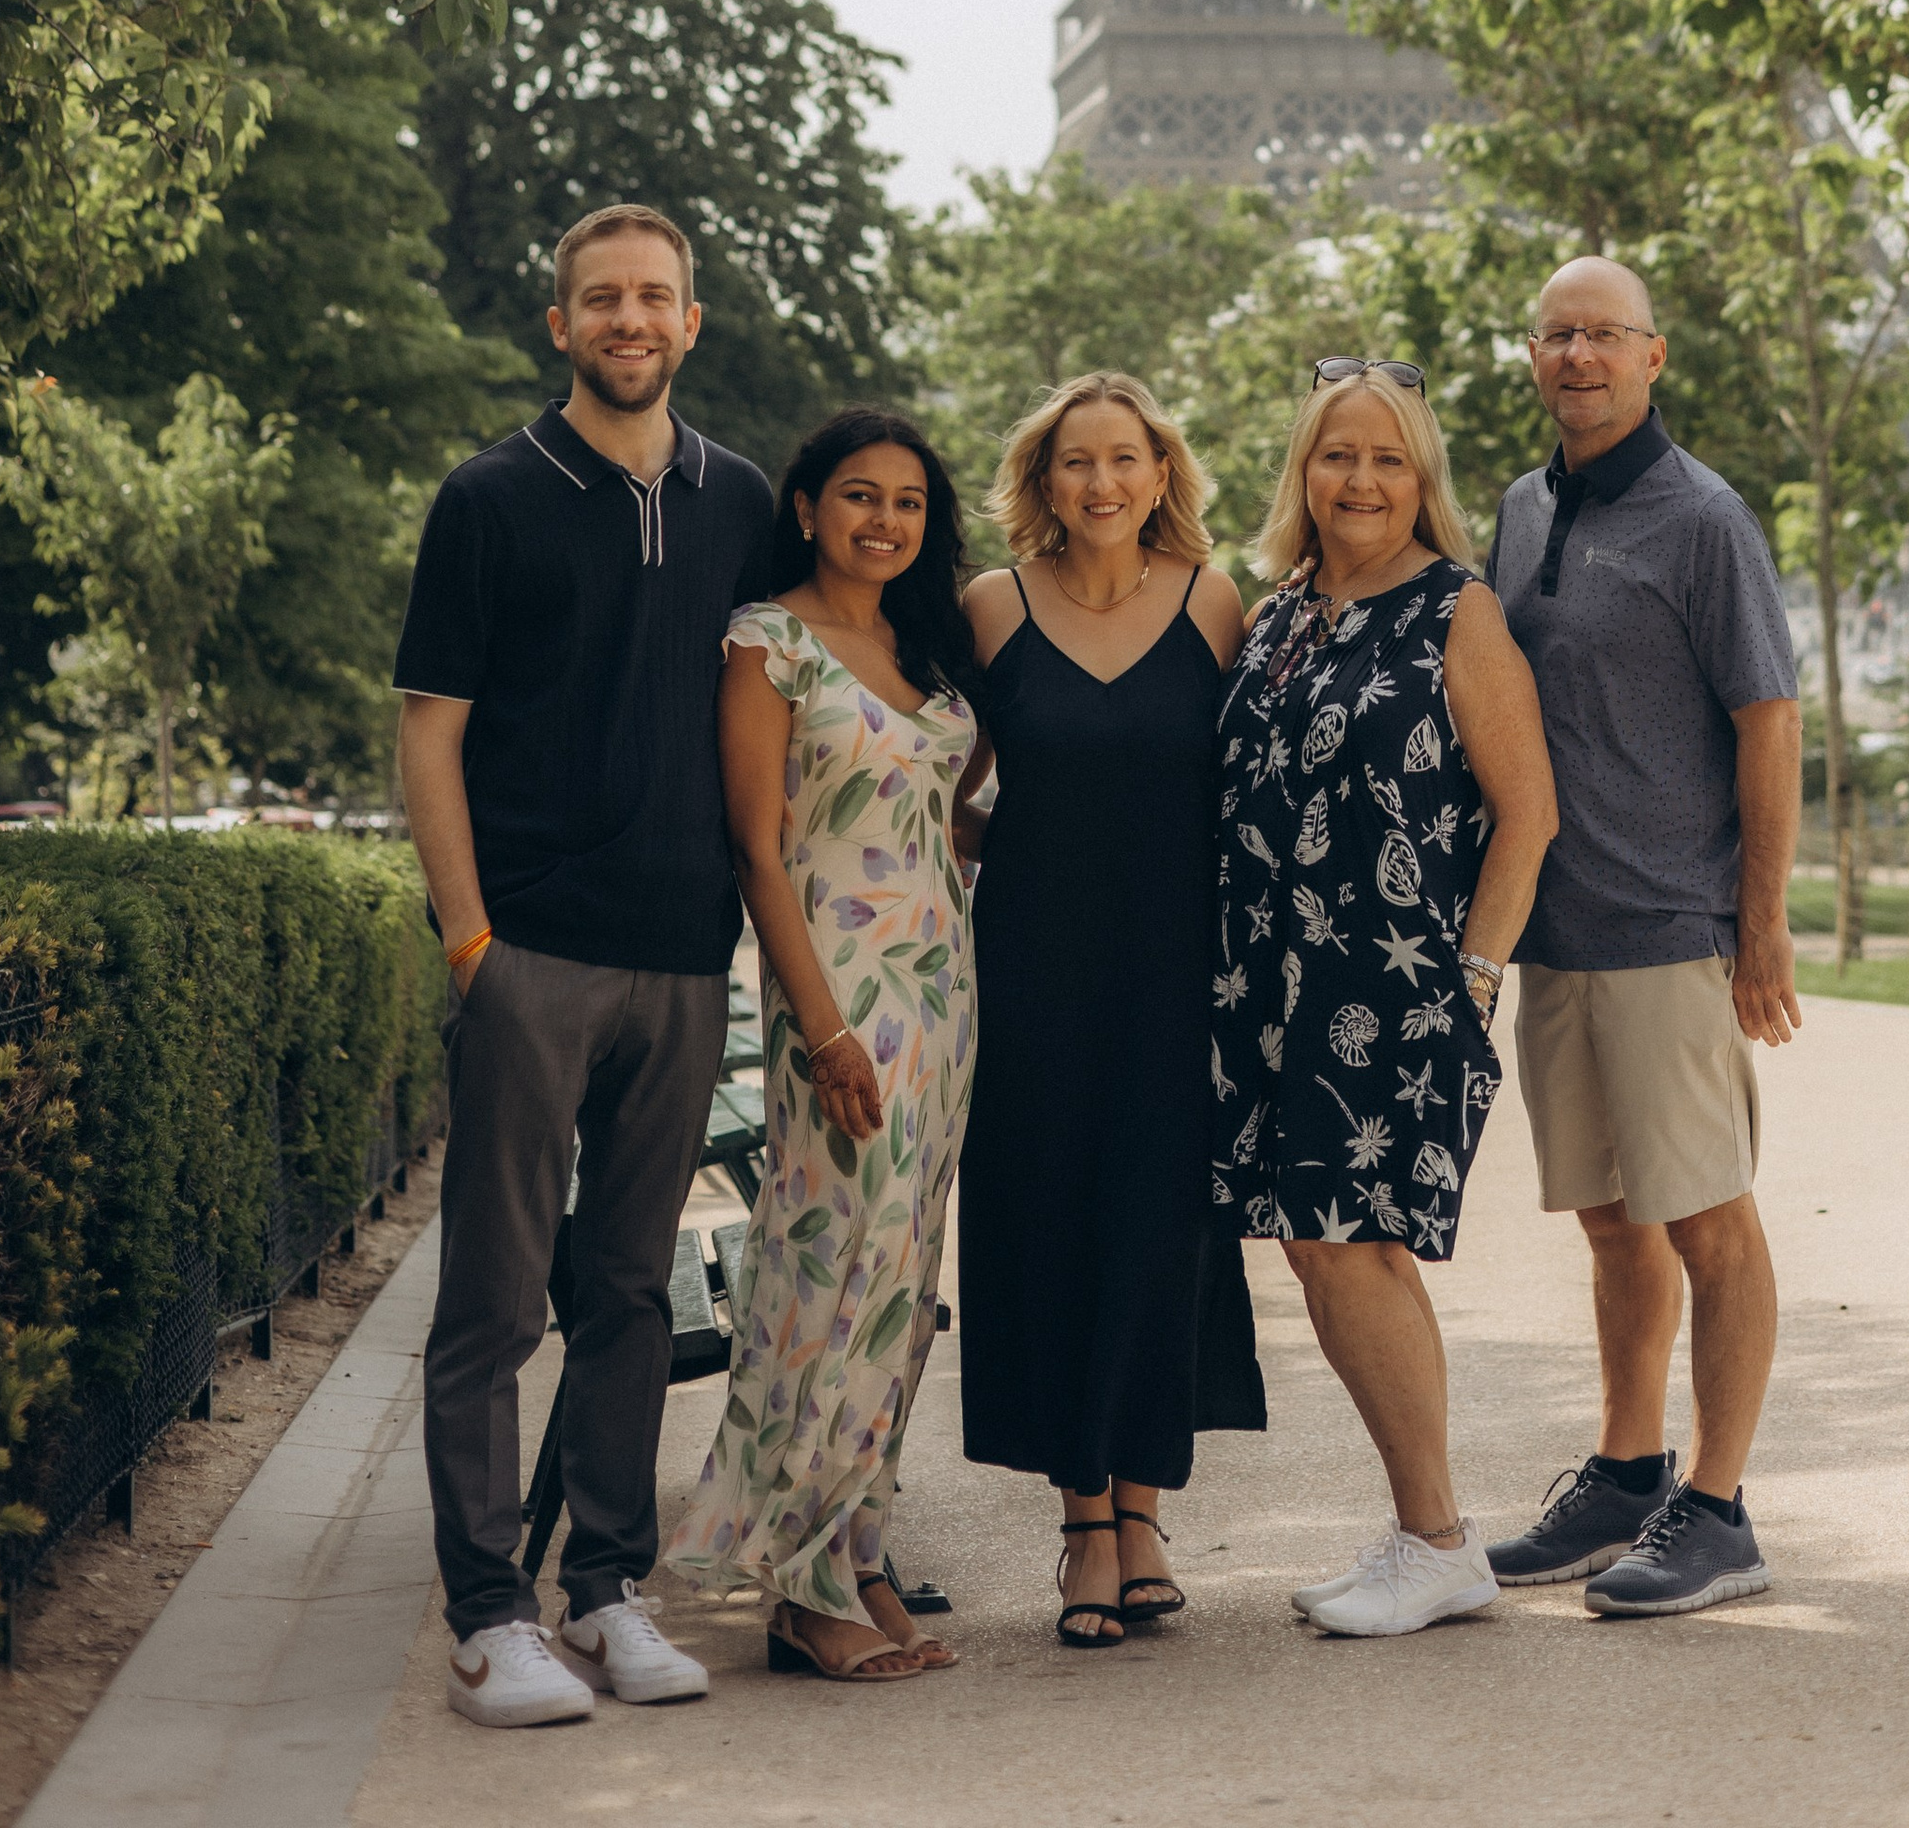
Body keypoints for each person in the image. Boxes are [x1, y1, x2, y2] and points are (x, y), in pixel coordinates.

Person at [394, 203, 767, 1731]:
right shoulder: (489, 499)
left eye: (655, 298)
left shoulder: (743, 501)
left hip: (686, 957)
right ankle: (490, 1617)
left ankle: (607, 1591)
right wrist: (471, 940)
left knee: (628, 1290)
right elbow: (430, 733)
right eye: (600, 298)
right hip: (532, 950)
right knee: (495, 1295)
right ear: (561, 324)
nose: (629, 319)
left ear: (691, 323)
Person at [1479, 257, 1802, 1619]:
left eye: (1604, 335)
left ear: (1653, 355)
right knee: (1613, 1226)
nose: (1579, 355)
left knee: (1707, 1222)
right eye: (1557, 334)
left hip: (1673, 923)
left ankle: (1719, 1510)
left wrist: (1762, 924)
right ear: (1534, 356)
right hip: (1557, 925)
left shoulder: (1704, 519)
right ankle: (1625, 1475)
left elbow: (1768, 717)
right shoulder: (1518, 508)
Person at [1215, 361, 1558, 1642]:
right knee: (1319, 1248)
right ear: (1302, 471)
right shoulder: (1277, 613)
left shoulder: (1456, 611)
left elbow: (1528, 814)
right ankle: (1422, 1531)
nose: (1360, 482)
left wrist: (1471, 979)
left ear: (1423, 479)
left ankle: (1437, 1540)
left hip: (1394, 983)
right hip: (1274, 981)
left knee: (1356, 1249)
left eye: (1388, 460)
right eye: (1336, 456)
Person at [662, 411, 980, 1683]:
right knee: (833, 1277)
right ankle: (794, 1585)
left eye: (907, 502)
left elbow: (945, 824)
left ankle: (853, 1554)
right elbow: (757, 848)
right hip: (839, 1004)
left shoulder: (924, 645)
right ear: (805, 508)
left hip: (945, 999)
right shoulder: (770, 643)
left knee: (900, 1292)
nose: (884, 522)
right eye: (858, 497)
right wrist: (825, 1028)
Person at [955, 372, 1263, 1650]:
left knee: (1161, 1232)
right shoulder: (986, 606)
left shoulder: (1214, 603)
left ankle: (1145, 1509)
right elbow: (943, 777)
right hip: (1032, 973)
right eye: (1076, 463)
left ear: (1158, 474)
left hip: (1178, 972)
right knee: (1049, 1224)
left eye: (1124, 460)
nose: (1100, 484)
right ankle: (1086, 1522)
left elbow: (1256, 789)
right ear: (1044, 480)